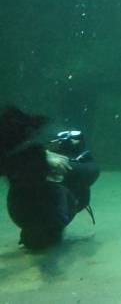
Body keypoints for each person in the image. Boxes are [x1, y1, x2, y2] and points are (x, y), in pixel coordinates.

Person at [0, 105, 100, 250]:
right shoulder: (33, 160)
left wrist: (43, 155)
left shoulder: (23, 157)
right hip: (39, 209)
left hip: (24, 207)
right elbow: (92, 172)